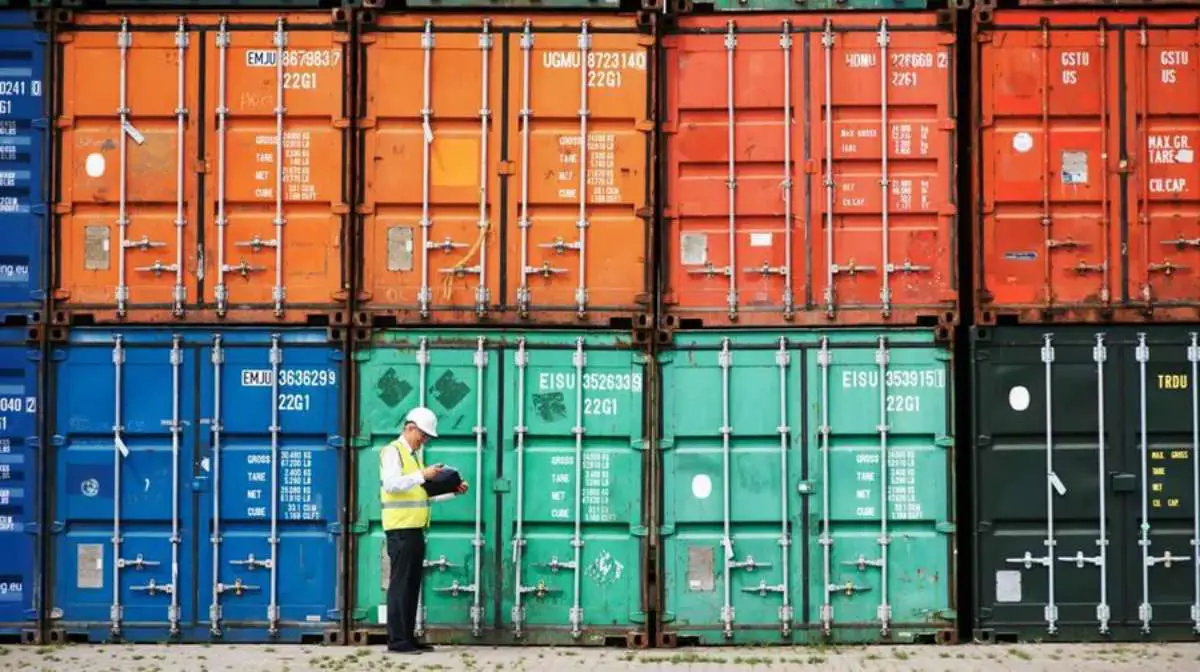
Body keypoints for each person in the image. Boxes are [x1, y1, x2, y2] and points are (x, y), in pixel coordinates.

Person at [380, 406, 469, 654]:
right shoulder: (392, 452)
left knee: (411, 586)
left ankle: (407, 639)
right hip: (400, 530)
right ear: (410, 428)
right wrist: (422, 474)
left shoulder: (414, 457)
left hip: (415, 529)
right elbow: (391, 484)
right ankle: (397, 642)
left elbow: (422, 498)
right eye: (423, 435)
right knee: (400, 586)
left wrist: (452, 490)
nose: (424, 440)